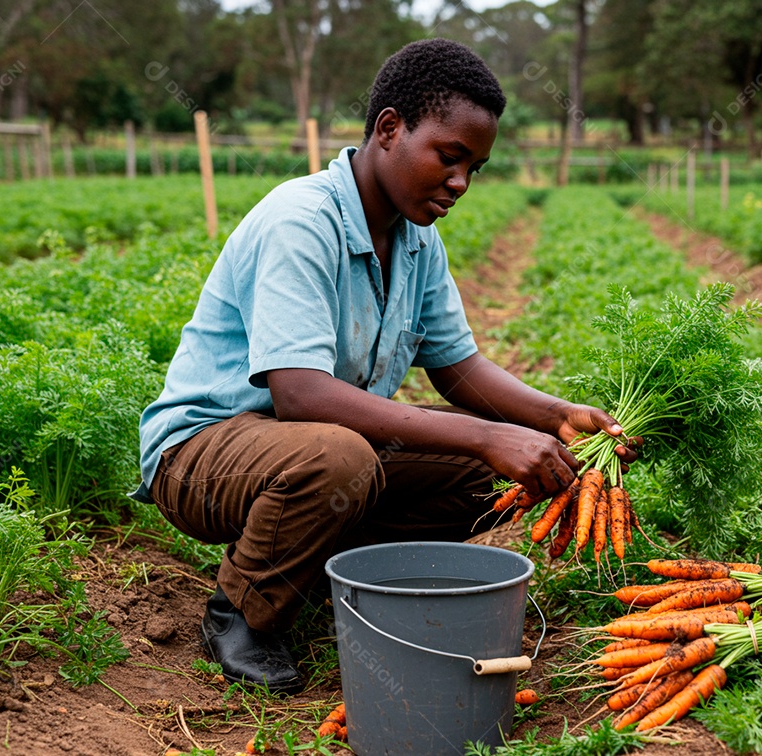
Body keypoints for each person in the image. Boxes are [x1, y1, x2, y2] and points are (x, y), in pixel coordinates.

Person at [134, 38, 635, 694]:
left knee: (490, 477)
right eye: (449, 158)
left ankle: (318, 568)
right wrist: (488, 434)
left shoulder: (417, 238)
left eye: (474, 169)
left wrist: (555, 417)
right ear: (390, 129)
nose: (460, 184)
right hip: (203, 457)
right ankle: (242, 616)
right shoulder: (301, 222)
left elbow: (458, 368)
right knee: (342, 460)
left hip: (309, 452)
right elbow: (302, 397)